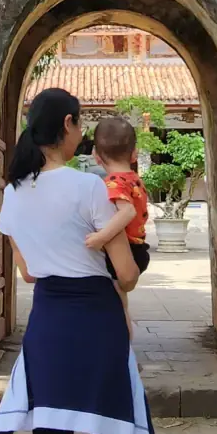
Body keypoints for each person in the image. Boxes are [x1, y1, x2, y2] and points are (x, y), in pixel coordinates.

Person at [0, 88, 151, 434]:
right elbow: (125, 275)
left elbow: (28, 274)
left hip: (49, 329)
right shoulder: (89, 189)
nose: (82, 134)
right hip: (97, 328)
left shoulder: (13, 192)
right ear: (66, 125)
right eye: (79, 124)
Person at [84, 117, 151, 336]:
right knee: (121, 304)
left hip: (127, 250)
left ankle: (125, 353)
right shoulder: (134, 179)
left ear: (95, 156)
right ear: (134, 154)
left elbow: (128, 212)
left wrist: (101, 237)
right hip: (139, 247)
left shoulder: (114, 183)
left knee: (118, 306)